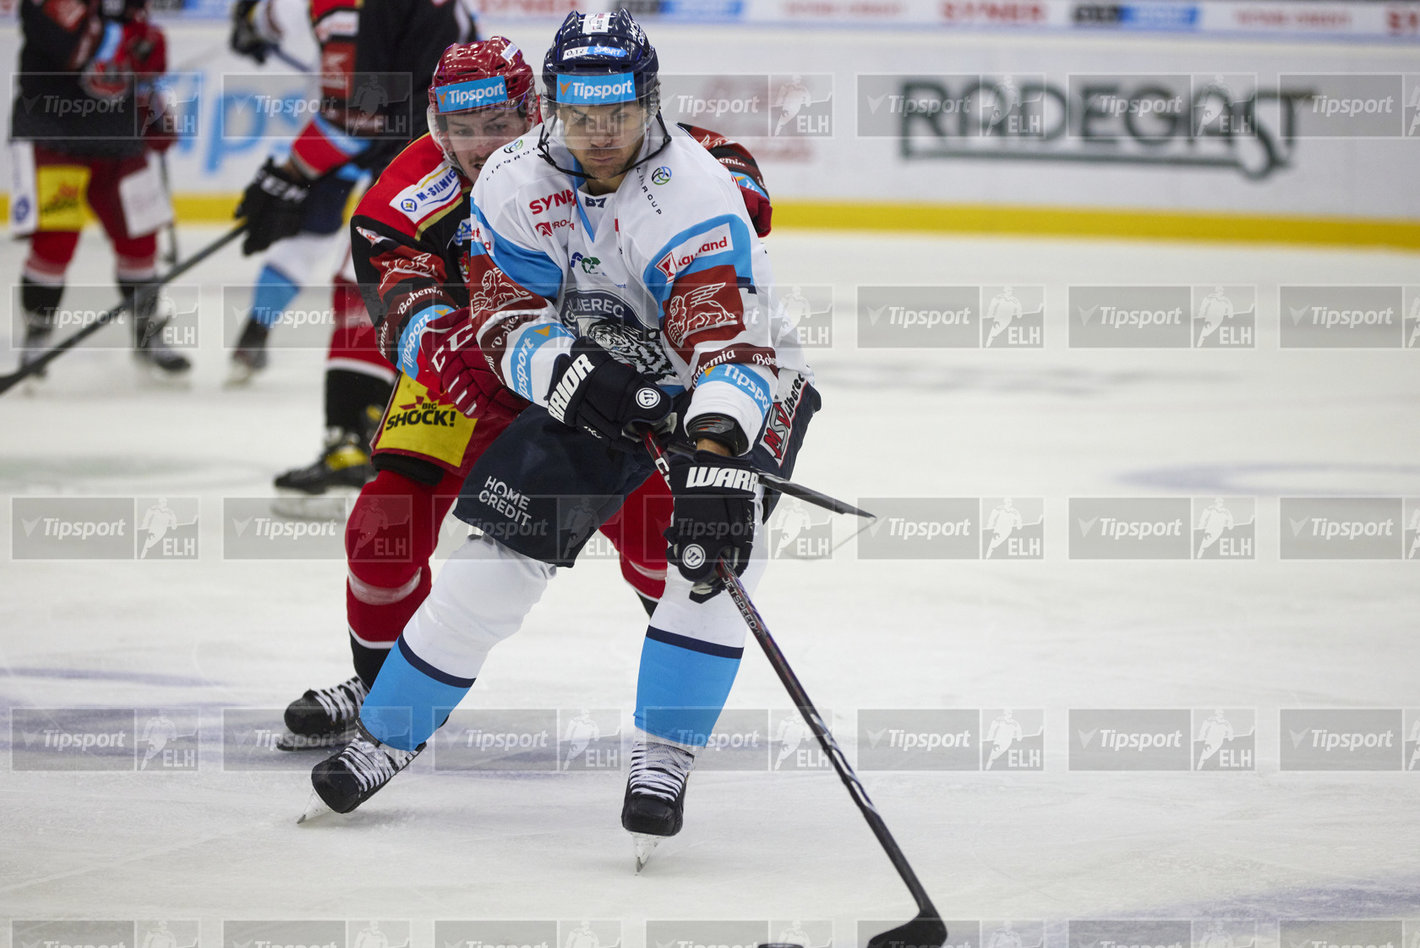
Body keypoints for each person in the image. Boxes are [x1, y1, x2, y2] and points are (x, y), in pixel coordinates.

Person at [306, 11, 820, 862]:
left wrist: (719, 453)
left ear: (648, 101)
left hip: (729, 381)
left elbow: (727, 340)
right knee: (495, 557)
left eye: (617, 112)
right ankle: (386, 733)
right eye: (580, 114)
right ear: (552, 105)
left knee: (707, 558)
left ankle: (663, 759)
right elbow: (505, 316)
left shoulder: (692, 192)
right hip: (594, 380)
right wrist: (577, 379)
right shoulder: (512, 177)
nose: (600, 133)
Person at [227, 0, 473, 493]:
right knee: (343, 247)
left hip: (418, 157)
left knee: (365, 280)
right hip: (445, 152)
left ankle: (351, 445)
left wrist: (289, 173)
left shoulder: (341, 9)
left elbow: (357, 114)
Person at [10, 0, 187, 376]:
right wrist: (131, 37)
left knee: (140, 243)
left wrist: (155, 111)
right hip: (54, 135)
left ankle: (147, 331)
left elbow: (143, 70)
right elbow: (75, 48)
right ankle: (36, 337)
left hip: (118, 137)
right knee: (54, 245)